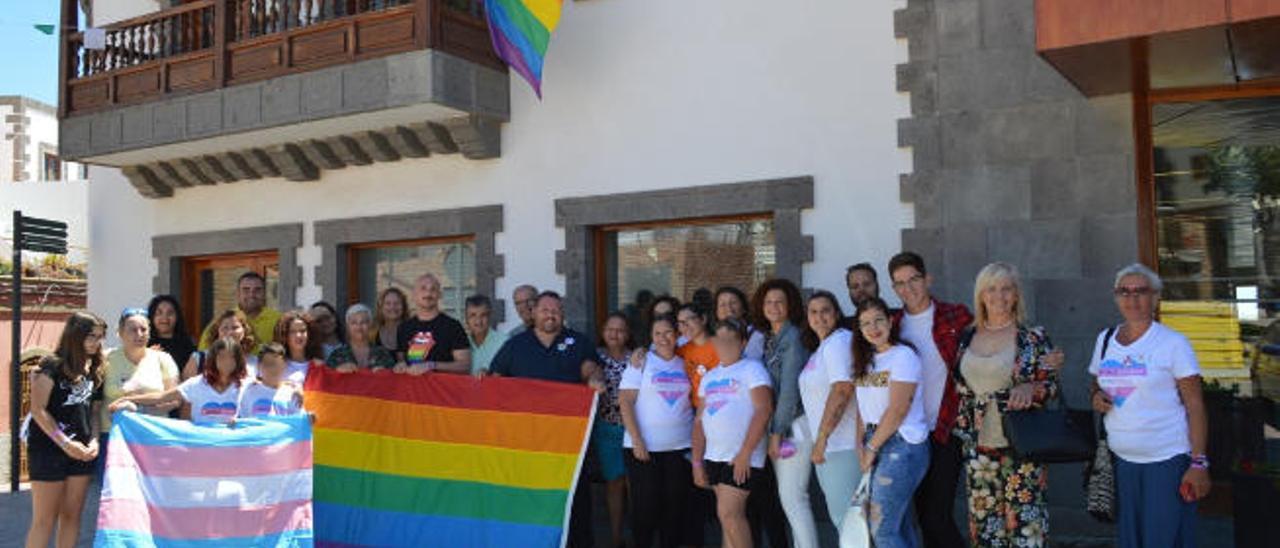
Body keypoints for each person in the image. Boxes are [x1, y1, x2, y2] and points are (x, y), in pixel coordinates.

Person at [1089, 263, 1209, 548]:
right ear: (1116, 297)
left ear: (1155, 297)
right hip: (1122, 461)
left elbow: (1195, 405)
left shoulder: (1173, 343)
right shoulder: (1105, 340)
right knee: (1131, 541)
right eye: (1124, 291)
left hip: (1167, 460)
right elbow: (1095, 383)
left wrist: (1199, 462)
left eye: (1141, 291)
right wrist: (1096, 396)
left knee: (1165, 540)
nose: (1132, 299)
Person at [953, 262, 1060, 546]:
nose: (998, 296)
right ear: (981, 295)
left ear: (1016, 295)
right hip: (978, 446)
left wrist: (1030, 386)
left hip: (1022, 443)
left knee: (1026, 527)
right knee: (985, 527)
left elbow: (1050, 385)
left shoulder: (1032, 337)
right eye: (991, 288)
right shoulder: (967, 336)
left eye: (1006, 289)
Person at [490, 291, 605, 548]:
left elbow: (590, 367)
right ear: (533, 313)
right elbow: (495, 382)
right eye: (544, 309)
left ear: (562, 314)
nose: (550, 314)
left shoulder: (578, 341)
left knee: (576, 499)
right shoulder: (515, 345)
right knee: (529, 498)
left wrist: (594, 378)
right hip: (528, 442)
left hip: (570, 443)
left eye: (555, 310)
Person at [887, 251, 971, 548]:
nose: (908, 288)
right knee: (923, 515)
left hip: (947, 427)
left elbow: (992, 337)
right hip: (911, 435)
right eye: (899, 283)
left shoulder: (955, 316)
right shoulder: (892, 326)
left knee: (937, 515)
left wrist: (1041, 359)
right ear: (894, 289)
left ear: (927, 279)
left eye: (914, 279)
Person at [853, 297, 932, 548]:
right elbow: (862, 410)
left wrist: (871, 448)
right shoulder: (865, 360)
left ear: (890, 321)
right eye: (865, 323)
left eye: (878, 320)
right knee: (900, 526)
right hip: (874, 442)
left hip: (902, 445)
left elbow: (898, 410)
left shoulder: (903, 356)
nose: (873, 328)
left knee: (883, 529)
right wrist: (860, 446)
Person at [24, 312, 106, 548]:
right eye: (91, 336)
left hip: (81, 451)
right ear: (75, 335)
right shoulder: (50, 365)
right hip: (48, 449)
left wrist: (94, 441)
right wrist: (66, 444)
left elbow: (93, 411)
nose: (97, 342)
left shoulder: (96, 367)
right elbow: (38, 410)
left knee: (71, 516)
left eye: (100, 337)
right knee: (44, 520)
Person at [691, 318, 774, 548]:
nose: (725, 345)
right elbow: (699, 421)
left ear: (744, 342)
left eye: (732, 340)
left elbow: (764, 409)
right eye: (720, 340)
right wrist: (697, 462)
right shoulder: (708, 377)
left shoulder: (752, 369)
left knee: (729, 514)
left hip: (741, 458)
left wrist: (745, 453)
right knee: (727, 520)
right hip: (714, 456)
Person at [619, 314, 693, 548]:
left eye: (668, 332)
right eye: (657, 334)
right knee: (645, 510)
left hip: (679, 448)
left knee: (674, 510)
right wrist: (637, 440)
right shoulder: (641, 361)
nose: (663, 338)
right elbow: (625, 401)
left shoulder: (686, 362)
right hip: (643, 449)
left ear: (678, 335)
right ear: (651, 337)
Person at [798, 291, 861, 543]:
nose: (819, 316)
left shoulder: (838, 342)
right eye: (813, 311)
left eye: (825, 310)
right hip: (830, 448)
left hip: (841, 446)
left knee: (849, 524)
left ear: (836, 314)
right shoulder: (823, 347)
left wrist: (822, 438)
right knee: (845, 521)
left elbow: (843, 389)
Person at [752, 278, 806, 548]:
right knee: (791, 503)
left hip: (791, 427)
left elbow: (788, 391)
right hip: (780, 427)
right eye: (768, 302)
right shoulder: (771, 338)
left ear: (790, 306)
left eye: (779, 302)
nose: (773, 307)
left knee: (794, 502)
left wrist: (776, 432)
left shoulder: (793, 338)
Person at [101, 308, 180, 462]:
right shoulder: (105, 358)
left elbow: (175, 399)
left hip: (152, 433)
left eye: (143, 329)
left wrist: (139, 409)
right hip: (113, 435)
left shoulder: (163, 359)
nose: (139, 334)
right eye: (132, 330)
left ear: (149, 332)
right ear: (120, 333)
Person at [112, 337, 249, 424]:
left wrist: (241, 422)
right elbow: (161, 397)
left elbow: (261, 413)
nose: (227, 362)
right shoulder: (197, 384)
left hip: (235, 449)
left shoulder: (247, 385)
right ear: (213, 360)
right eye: (222, 357)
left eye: (232, 357)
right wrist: (129, 399)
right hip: (203, 448)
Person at [595, 312, 633, 548]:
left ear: (628, 335)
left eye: (620, 330)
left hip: (634, 430)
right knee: (614, 482)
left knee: (635, 484)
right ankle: (616, 538)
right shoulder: (595, 357)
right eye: (610, 329)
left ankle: (640, 535)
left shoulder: (637, 358)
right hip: (606, 429)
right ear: (603, 331)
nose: (614, 334)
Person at [396, 274, 471, 374]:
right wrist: (400, 366)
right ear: (414, 294)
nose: (428, 293)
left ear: (440, 294)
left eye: (433, 289)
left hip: (442, 389)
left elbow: (464, 365)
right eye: (423, 288)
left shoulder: (453, 326)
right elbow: (402, 362)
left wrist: (432, 365)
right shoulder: (404, 328)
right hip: (412, 389)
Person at [197, 272, 281, 353]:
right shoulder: (221, 321)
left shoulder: (278, 320)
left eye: (257, 290)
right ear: (238, 293)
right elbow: (204, 355)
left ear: (264, 293)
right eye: (246, 290)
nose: (251, 294)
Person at [184, 309, 259, 381]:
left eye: (235, 328)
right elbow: (185, 390)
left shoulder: (256, 362)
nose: (230, 332)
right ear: (217, 332)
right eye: (225, 328)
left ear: (245, 331)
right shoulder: (199, 359)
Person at [238, 343, 304, 417]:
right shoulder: (248, 391)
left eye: (276, 364)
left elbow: (298, 423)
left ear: (284, 365)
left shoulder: (293, 394)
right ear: (259, 366)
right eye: (267, 364)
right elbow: (243, 422)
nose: (272, 369)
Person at [328, 304, 397, 372]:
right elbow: (326, 378)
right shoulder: (336, 355)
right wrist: (337, 371)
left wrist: (385, 372)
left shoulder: (382, 353)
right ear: (348, 327)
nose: (359, 327)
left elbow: (395, 378)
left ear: (370, 325)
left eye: (363, 322)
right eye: (354, 323)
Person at [146, 294, 196, 371]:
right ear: (152, 317)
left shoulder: (187, 344)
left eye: (170, 313)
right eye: (159, 313)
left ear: (177, 317)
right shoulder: (144, 343)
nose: (164, 318)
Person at [715, 286, 765, 360]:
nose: (729, 308)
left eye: (733, 302)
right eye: (722, 304)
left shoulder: (757, 335)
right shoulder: (712, 336)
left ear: (743, 308)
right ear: (716, 312)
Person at [274, 310, 323, 385]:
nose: (298, 335)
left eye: (302, 331)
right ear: (284, 335)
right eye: (292, 331)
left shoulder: (319, 366)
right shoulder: (276, 364)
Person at [465, 294, 509, 375]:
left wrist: (490, 372)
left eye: (483, 315)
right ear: (466, 318)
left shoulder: (504, 342)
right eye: (473, 315)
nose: (478, 321)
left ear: (490, 316)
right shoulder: (461, 343)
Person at [844, 263, 883, 330]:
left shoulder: (898, 319)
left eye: (867, 284)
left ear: (878, 286)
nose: (861, 290)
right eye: (855, 286)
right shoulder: (843, 328)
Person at [372, 287, 409, 352]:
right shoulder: (373, 332)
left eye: (397, 303)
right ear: (381, 307)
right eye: (388, 303)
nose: (392, 307)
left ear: (404, 307)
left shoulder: (413, 331)